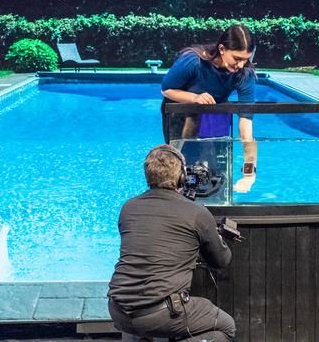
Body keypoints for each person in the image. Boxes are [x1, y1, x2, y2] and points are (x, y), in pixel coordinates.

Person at [108, 144, 235, 342]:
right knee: (226, 327)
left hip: (118, 310)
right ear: (181, 177)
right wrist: (216, 239)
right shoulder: (196, 213)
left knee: (142, 324)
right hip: (161, 314)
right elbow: (220, 261)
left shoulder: (128, 207)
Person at [161, 23, 258, 193]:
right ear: (222, 49)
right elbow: (166, 89)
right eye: (237, 58)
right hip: (180, 111)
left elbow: (245, 130)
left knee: (214, 164)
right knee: (183, 159)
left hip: (215, 111)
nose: (242, 65)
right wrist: (194, 98)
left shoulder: (245, 74)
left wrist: (249, 174)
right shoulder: (193, 61)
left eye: (246, 59)